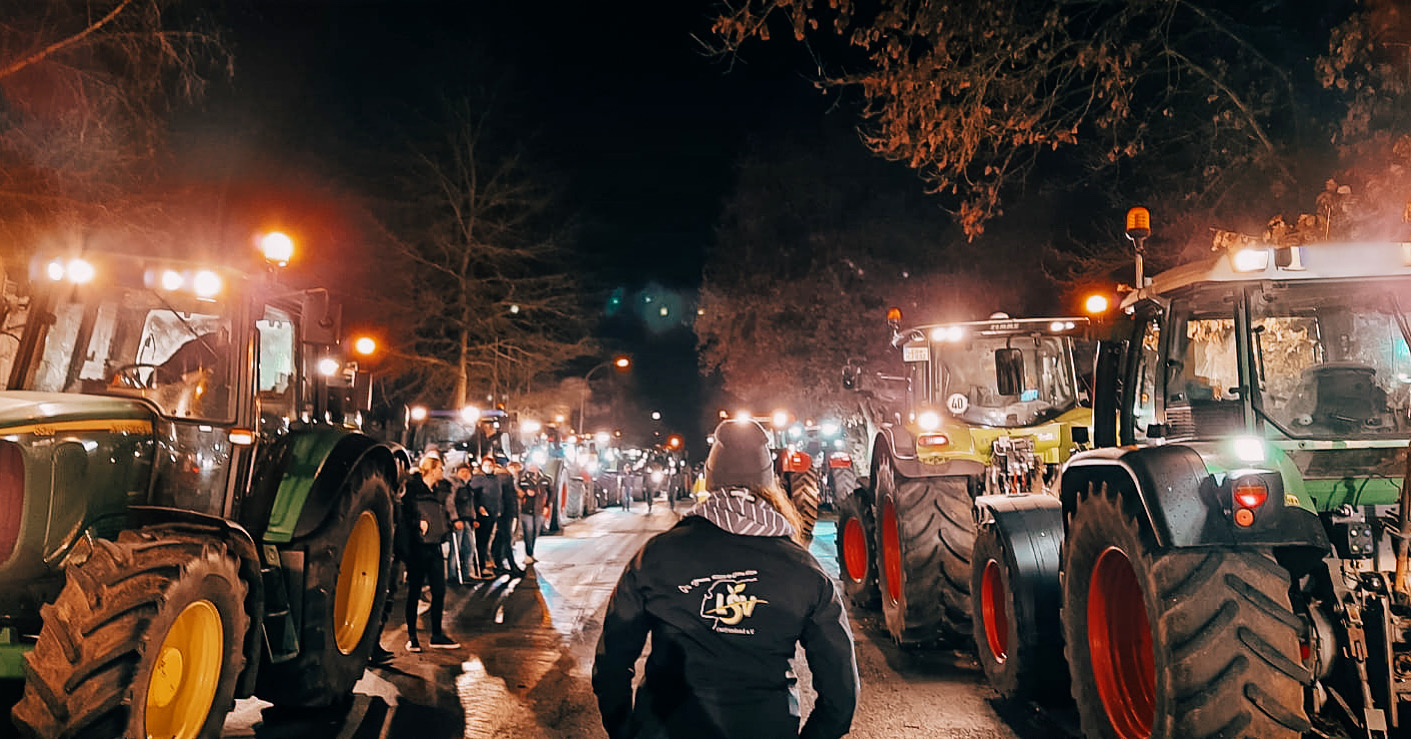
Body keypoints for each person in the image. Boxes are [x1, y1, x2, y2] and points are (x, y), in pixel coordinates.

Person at [592, 420, 858, 739]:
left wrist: (625, 731)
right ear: (768, 480)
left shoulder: (655, 556)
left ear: (709, 477)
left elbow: (611, 663)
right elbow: (841, 693)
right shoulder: (805, 570)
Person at [400, 454, 460, 652]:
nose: (442, 472)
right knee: (415, 591)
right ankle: (412, 637)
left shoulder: (439, 491)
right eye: (440, 468)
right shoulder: (413, 490)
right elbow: (404, 516)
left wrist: (446, 528)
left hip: (434, 546)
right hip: (418, 547)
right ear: (432, 469)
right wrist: (417, 523)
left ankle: (436, 635)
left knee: (439, 591)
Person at [448, 462, 479, 583]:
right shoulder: (453, 484)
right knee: (456, 548)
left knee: (469, 547)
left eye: (467, 472)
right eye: (463, 471)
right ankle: (452, 574)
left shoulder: (468, 486)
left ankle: (467, 573)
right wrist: (455, 519)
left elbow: (471, 505)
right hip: (459, 520)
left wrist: (474, 518)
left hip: (467, 520)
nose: (465, 474)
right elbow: (450, 502)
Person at [472, 456, 501, 578]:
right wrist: (479, 507)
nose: (488, 468)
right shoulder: (477, 479)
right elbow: (473, 496)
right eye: (486, 465)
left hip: (492, 514)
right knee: (480, 542)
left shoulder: (495, 479)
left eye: (490, 465)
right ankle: (479, 566)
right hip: (482, 515)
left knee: (486, 541)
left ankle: (483, 565)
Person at [493, 459, 523, 576]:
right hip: (505, 513)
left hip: (505, 512)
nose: (517, 472)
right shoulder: (505, 477)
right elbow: (506, 497)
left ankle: (499, 564)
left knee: (500, 538)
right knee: (506, 539)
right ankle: (511, 566)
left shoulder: (504, 477)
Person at [517, 462, 549, 565]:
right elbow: (517, 490)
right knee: (528, 531)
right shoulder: (523, 480)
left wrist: (547, 506)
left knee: (536, 532)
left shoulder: (545, 480)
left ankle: (531, 553)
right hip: (527, 510)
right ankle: (528, 554)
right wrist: (525, 493)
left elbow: (551, 493)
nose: (533, 468)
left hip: (539, 510)